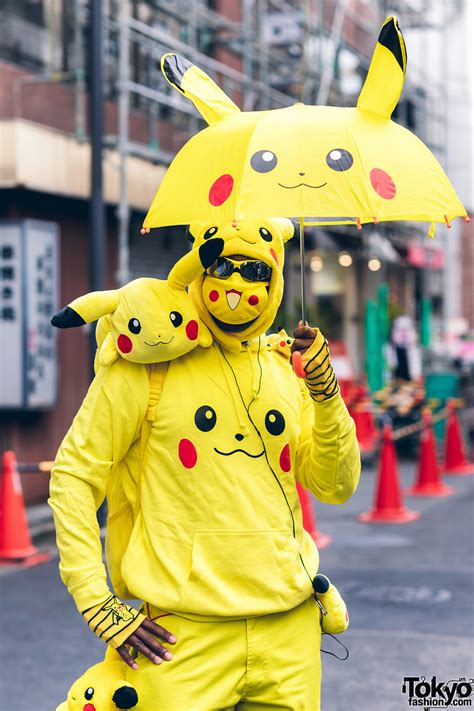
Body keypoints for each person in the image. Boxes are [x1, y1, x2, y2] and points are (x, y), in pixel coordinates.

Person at [50, 218, 360, 710]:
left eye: (255, 270)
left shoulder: (283, 365)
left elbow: (335, 485)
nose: (236, 285)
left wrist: (326, 395)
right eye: (222, 266)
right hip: (181, 639)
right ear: (197, 270)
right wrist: (97, 602)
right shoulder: (147, 365)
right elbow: (73, 476)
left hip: (290, 631)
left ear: (276, 279)